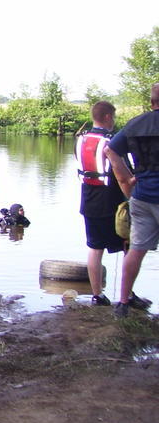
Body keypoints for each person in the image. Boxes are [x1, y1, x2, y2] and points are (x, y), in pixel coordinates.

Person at [104, 84, 159, 318]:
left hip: (142, 195)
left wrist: (125, 176)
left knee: (136, 249)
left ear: (151, 102)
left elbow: (109, 150)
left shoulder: (135, 124)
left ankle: (123, 303)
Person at [76, 101, 126, 306]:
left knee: (95, 248)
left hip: (88, 200)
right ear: (107, 117)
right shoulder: (111, 142)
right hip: (111, 202)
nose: (114, 121)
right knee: (127, 247)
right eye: (113, 117)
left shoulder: (81, 139)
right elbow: (121, 172)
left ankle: (97, 295)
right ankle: (127, 295)